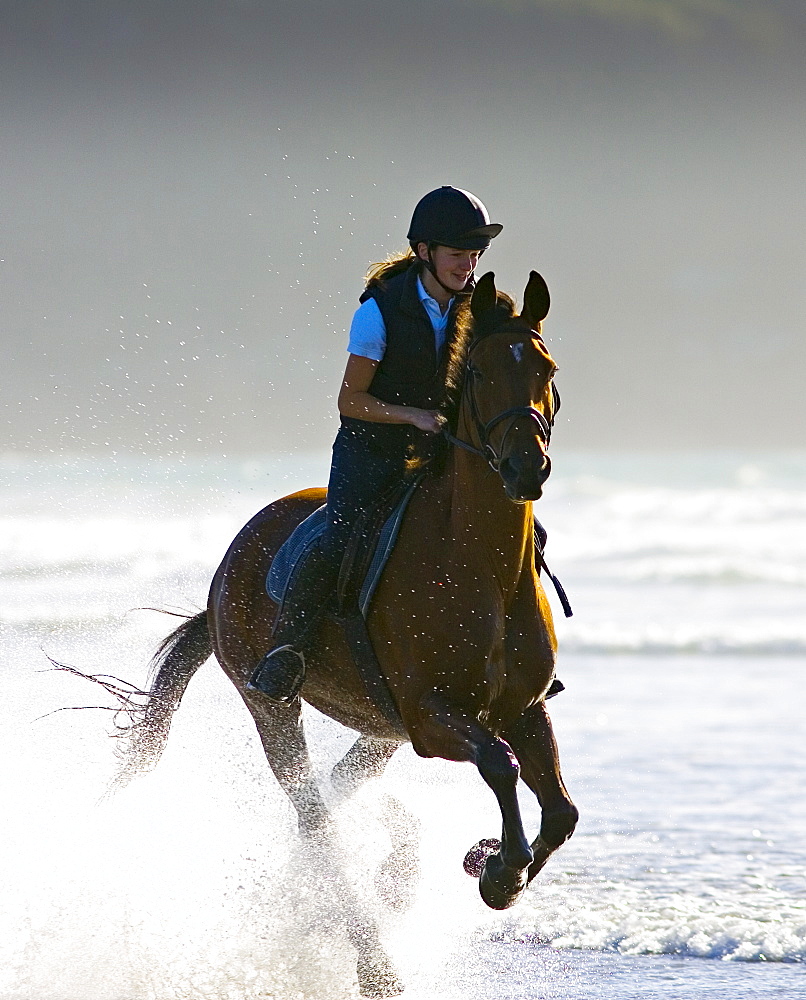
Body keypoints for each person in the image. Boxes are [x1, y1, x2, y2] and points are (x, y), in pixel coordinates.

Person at [248, 186, 502, 704]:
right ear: (425, 251)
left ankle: (511, 655)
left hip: (442, 454)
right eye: (458, 254)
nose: (468, 264)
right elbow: (350, 401)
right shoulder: (378, 312)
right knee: (338, 538)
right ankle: (287, 651)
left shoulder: (480, 305)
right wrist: (410, 415)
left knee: (523, 533)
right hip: (373, 452)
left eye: (475, 254)